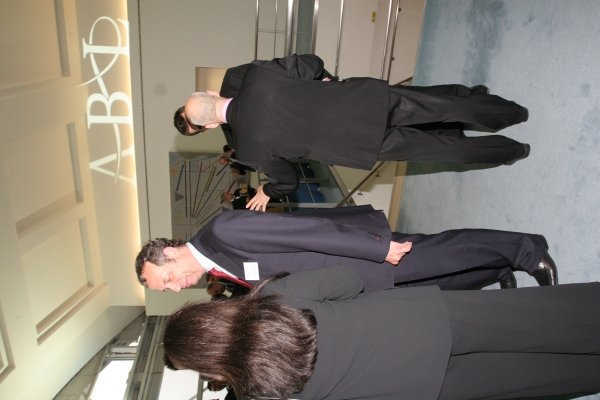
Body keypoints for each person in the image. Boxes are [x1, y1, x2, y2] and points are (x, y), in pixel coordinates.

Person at [162, 265, 600, 400]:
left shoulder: (260, 392)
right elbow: (348, 279)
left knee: (529, 378)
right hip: (418, 320)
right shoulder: (273, 298)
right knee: (531, 320)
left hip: (417, 384)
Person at [183, 54, 530, 211]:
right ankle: (511, 113)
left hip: (357, 144)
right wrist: (325, 82)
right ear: (213, 93)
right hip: (363, 102)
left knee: (440, 150)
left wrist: (267, 190)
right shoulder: (258, 76)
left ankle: (512, 151)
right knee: (442, 108)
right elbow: (311, 63)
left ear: (211, 125)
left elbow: (288, 181)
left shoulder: (247, 151)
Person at [134, 205, 557, 293]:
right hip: (355, 279)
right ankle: (498, 268)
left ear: (169, 254)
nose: (174, 288)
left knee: (444, 252)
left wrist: (377, 248)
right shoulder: (217, 266)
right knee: (439, 279)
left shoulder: (222, 230)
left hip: (358, 255)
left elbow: (307, 232)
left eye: (166, 279)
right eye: (165, 289)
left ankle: (527, 251)